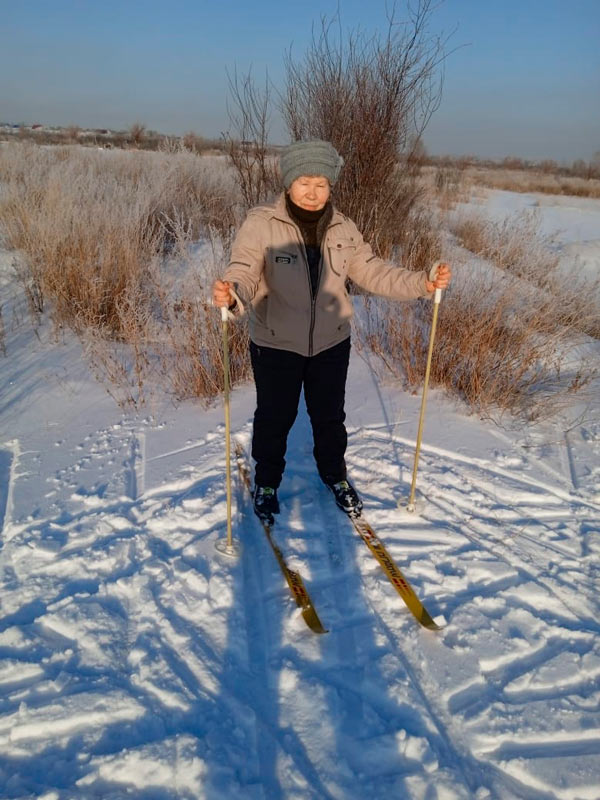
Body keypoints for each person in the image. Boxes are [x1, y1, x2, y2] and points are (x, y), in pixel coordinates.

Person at [213, 139, 451, 524]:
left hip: (331, 342)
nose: (312, 192)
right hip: (276, 343)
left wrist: (422, 283)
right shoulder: (262, 224)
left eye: (321, 183)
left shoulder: (344, 227)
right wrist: (232, 295)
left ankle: (335, 476)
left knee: (329, 417)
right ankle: (268, 481)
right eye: (304, 182)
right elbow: (244, 271)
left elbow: (373, 271)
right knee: (275, 416)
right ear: (289, 182)